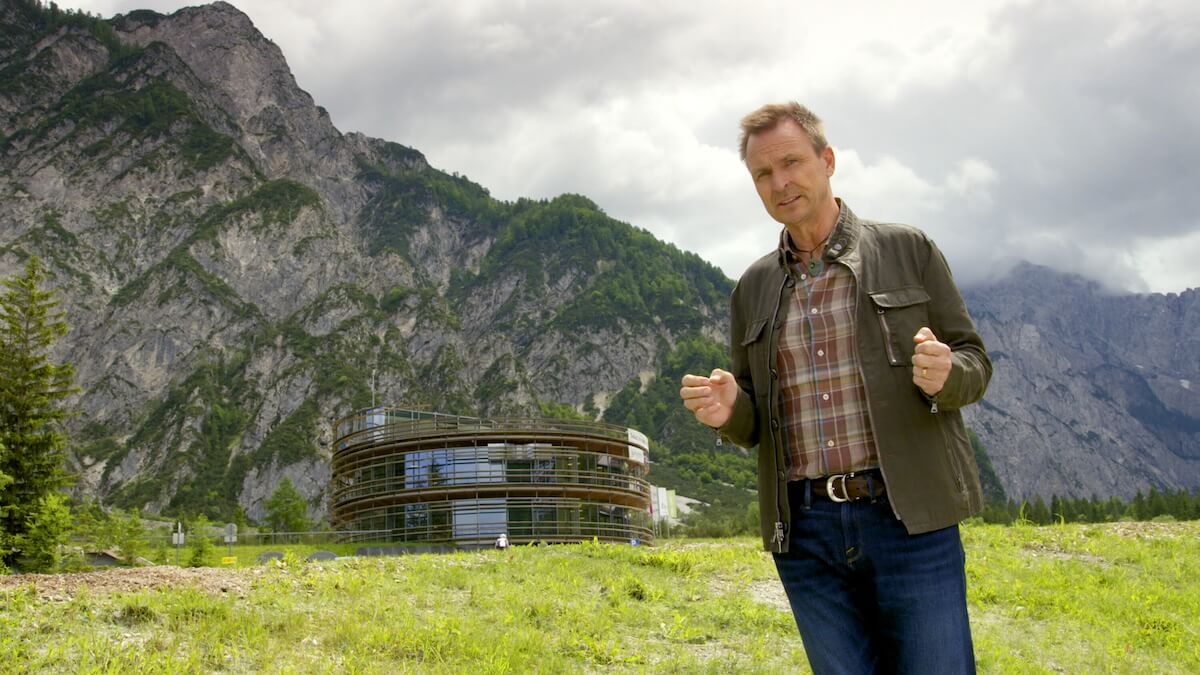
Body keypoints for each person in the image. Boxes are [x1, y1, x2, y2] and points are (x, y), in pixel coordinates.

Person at [679, 102, 991, 674]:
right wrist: (730, 411)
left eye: (792, 162)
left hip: (908, 519)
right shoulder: (752, 287)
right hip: (807, 534)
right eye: (763, 175)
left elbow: (975, 362)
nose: (780, 182)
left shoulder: (908, 249)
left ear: (827, 161)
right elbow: (756, 422)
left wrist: (948, 375)